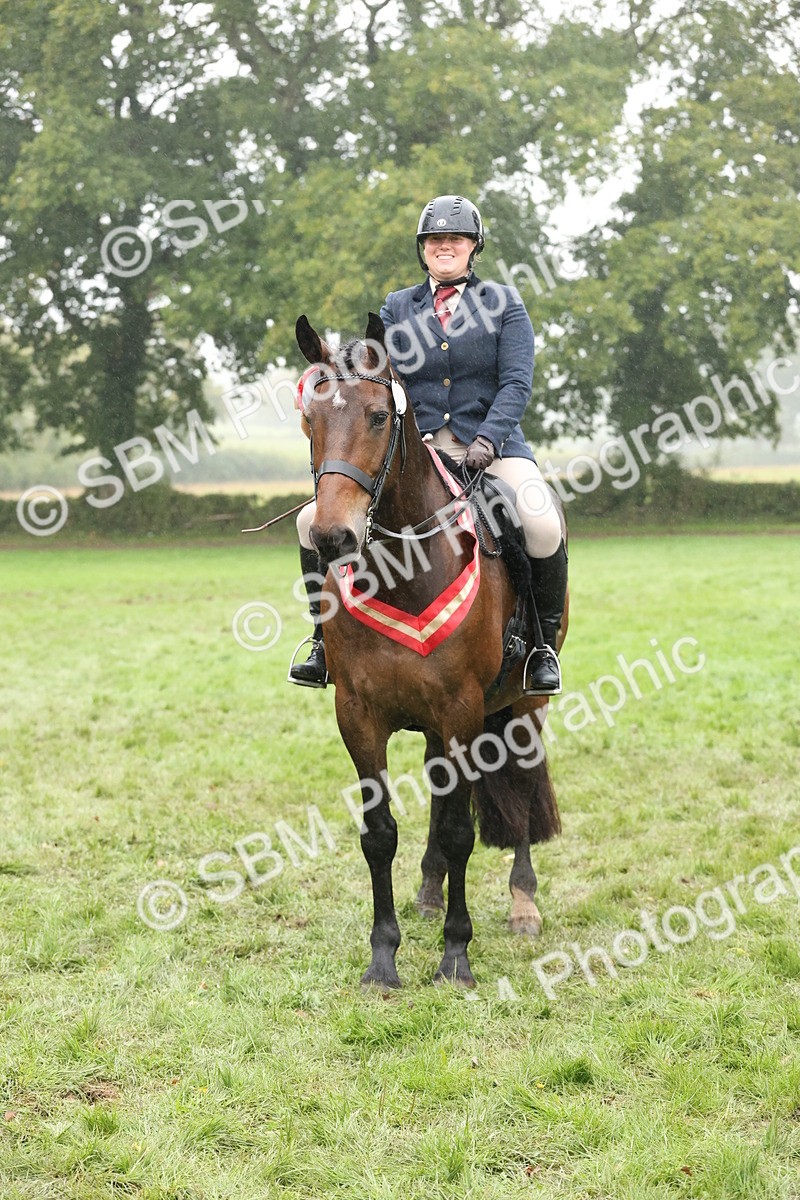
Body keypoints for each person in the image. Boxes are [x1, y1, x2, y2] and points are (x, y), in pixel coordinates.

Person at [289, 194, 567, 694]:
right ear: (423, 249)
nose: (445, 246)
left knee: (542, 522)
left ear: (472, 247)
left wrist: (488, 438)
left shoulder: (504, 304)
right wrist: (323, 376)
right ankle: (320, 640)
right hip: (417, 453)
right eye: (435, 239)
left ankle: (542, 645)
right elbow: (371, 370)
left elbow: (516, 383)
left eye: (454, 239)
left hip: (492, 450)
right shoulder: (398, 306)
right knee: (311, 521)